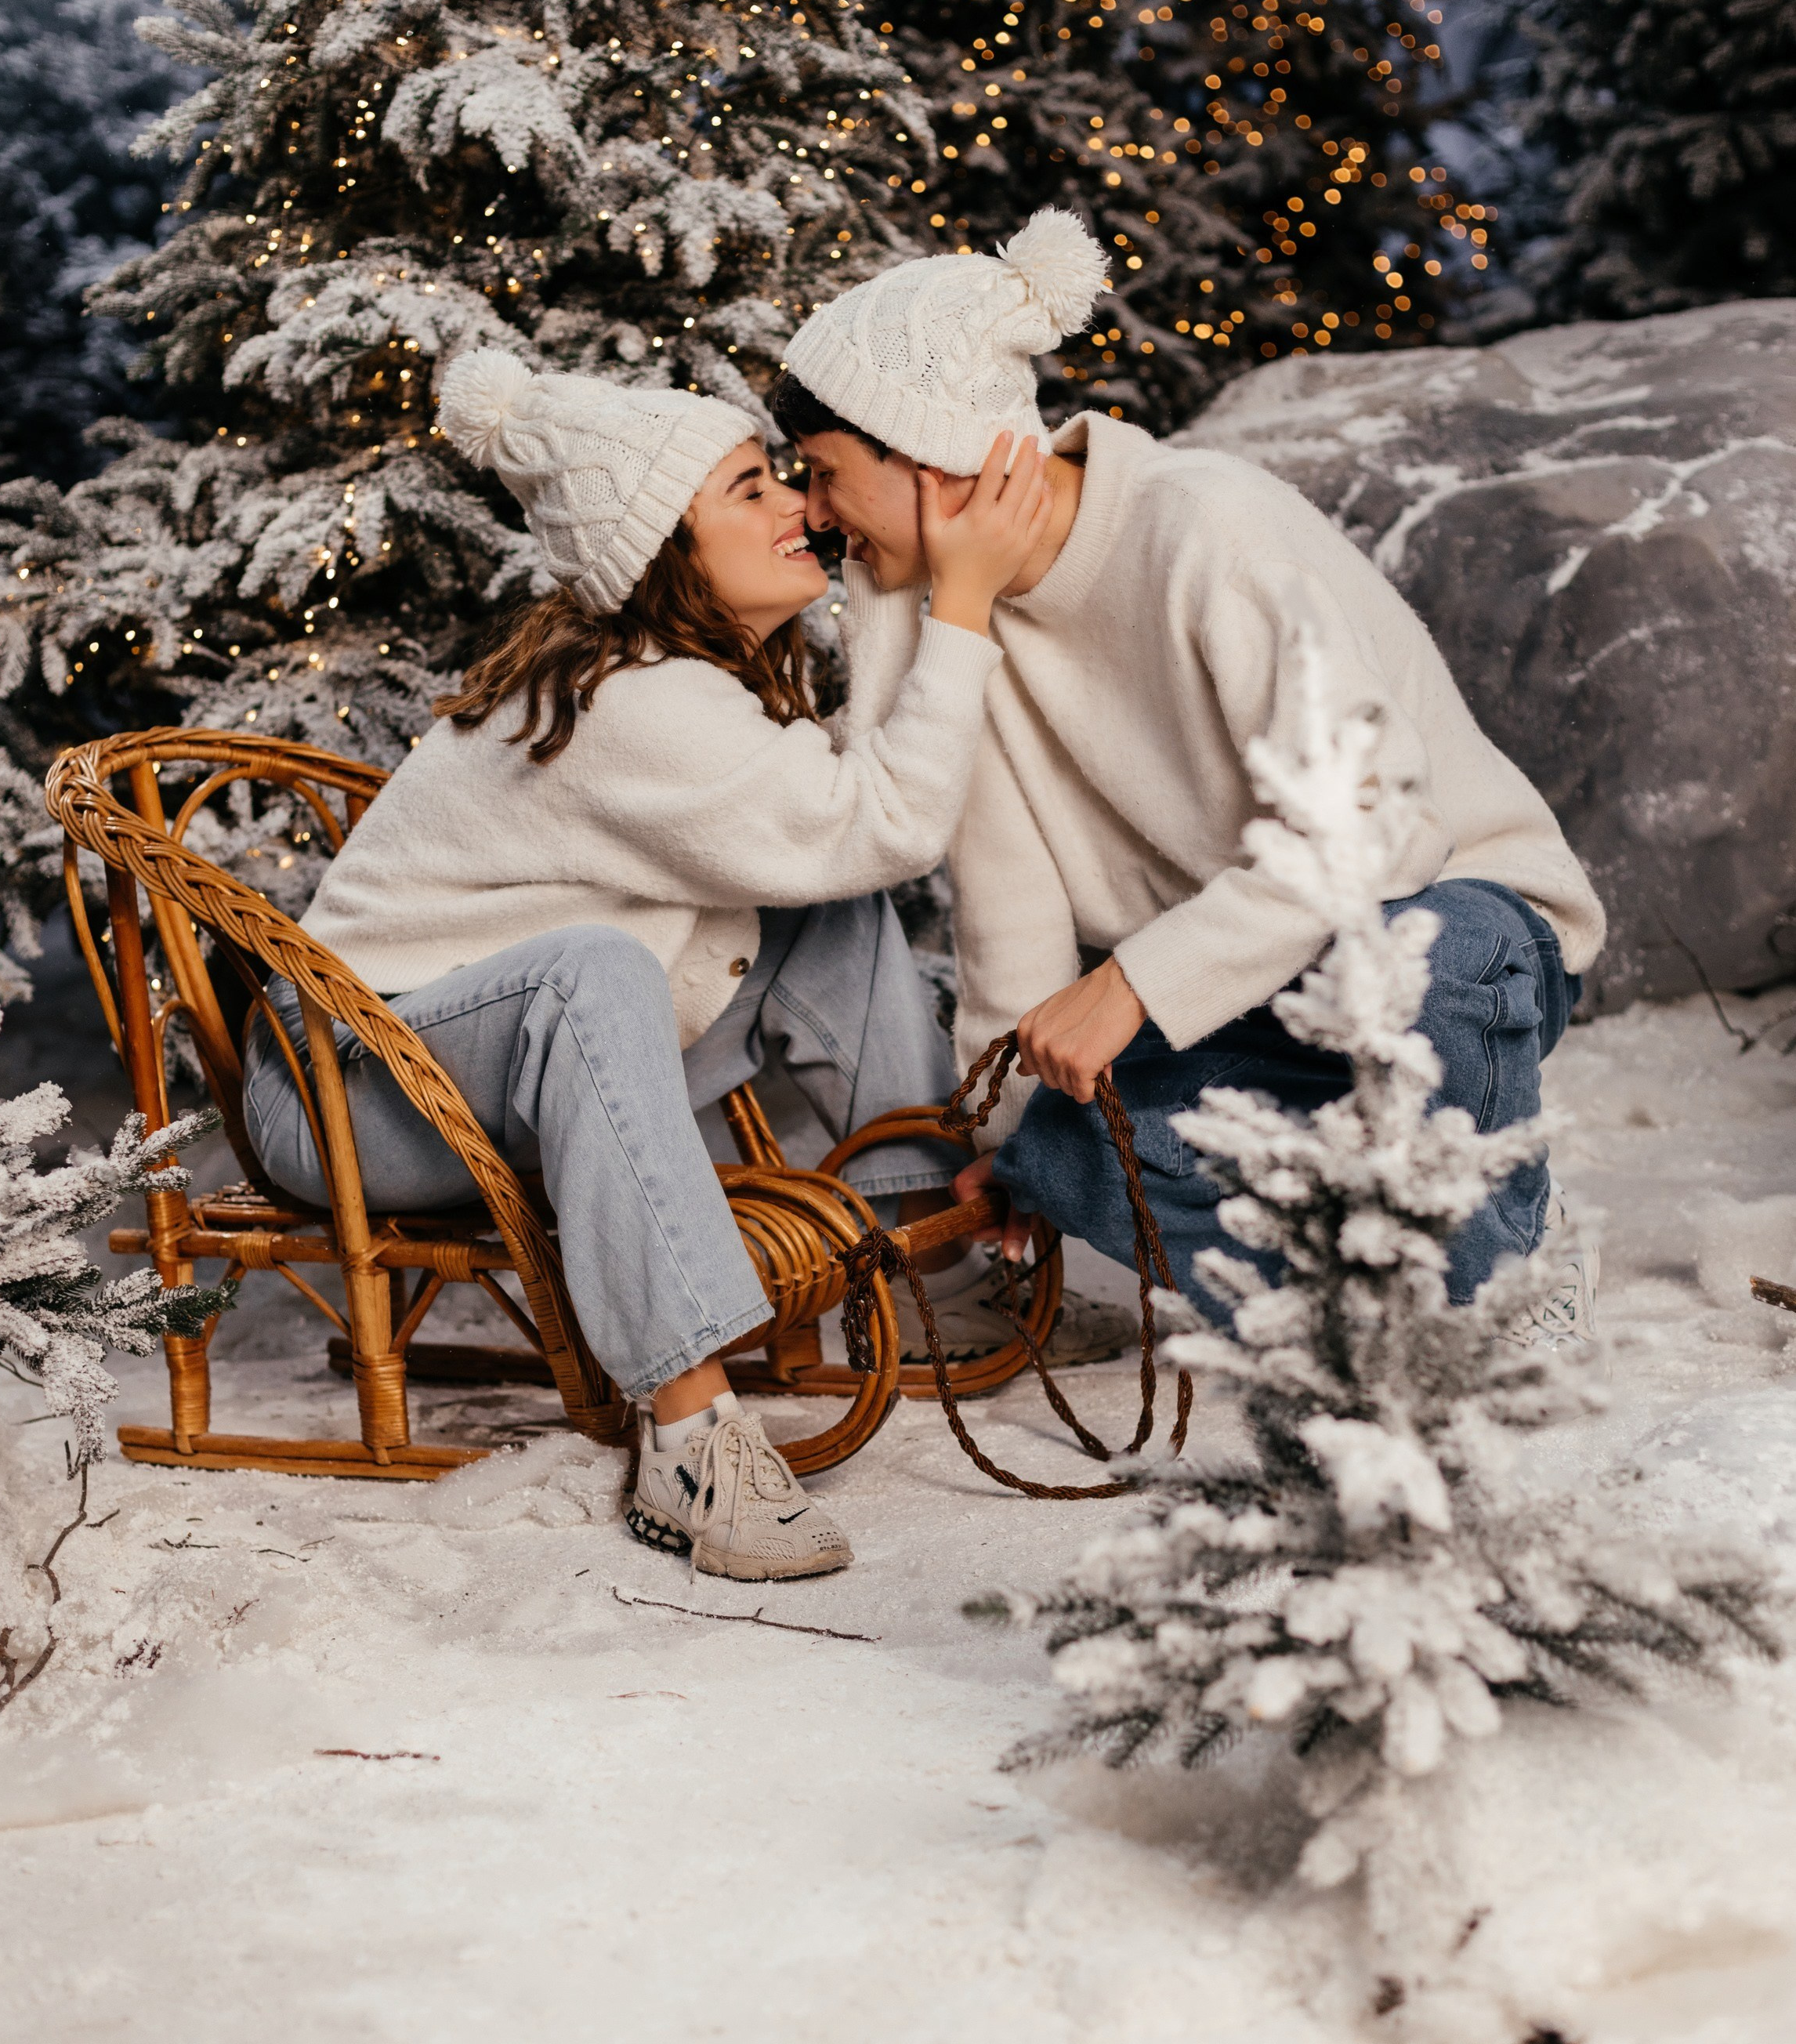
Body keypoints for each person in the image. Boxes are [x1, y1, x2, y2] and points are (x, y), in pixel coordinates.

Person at [242, 348, 1052, 1579]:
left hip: (476, 1071)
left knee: (822, 912)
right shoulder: (627, 700)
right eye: (748, 490)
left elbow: (849, 838)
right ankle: (688, 1436)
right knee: (592, 966)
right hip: (350, 1097)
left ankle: (918, 1258)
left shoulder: (683, 684)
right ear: (660, 548)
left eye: (787, 481)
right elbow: (885, 819)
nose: (797, 506)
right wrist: (963, 601)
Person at [771, 208, 1607, 1328]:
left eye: (824, 476)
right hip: (1246, 995)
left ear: (925, 457)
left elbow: (1377, 829)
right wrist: (1018, 1145)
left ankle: (1506, 1265)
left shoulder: (1207, 528)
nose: (814, 515)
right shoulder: (947, 624)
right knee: (1061, 1159)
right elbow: (1004, 913)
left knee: (1436, 951)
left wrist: (1128, 985)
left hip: (1457, 939)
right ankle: (1392, 1279)